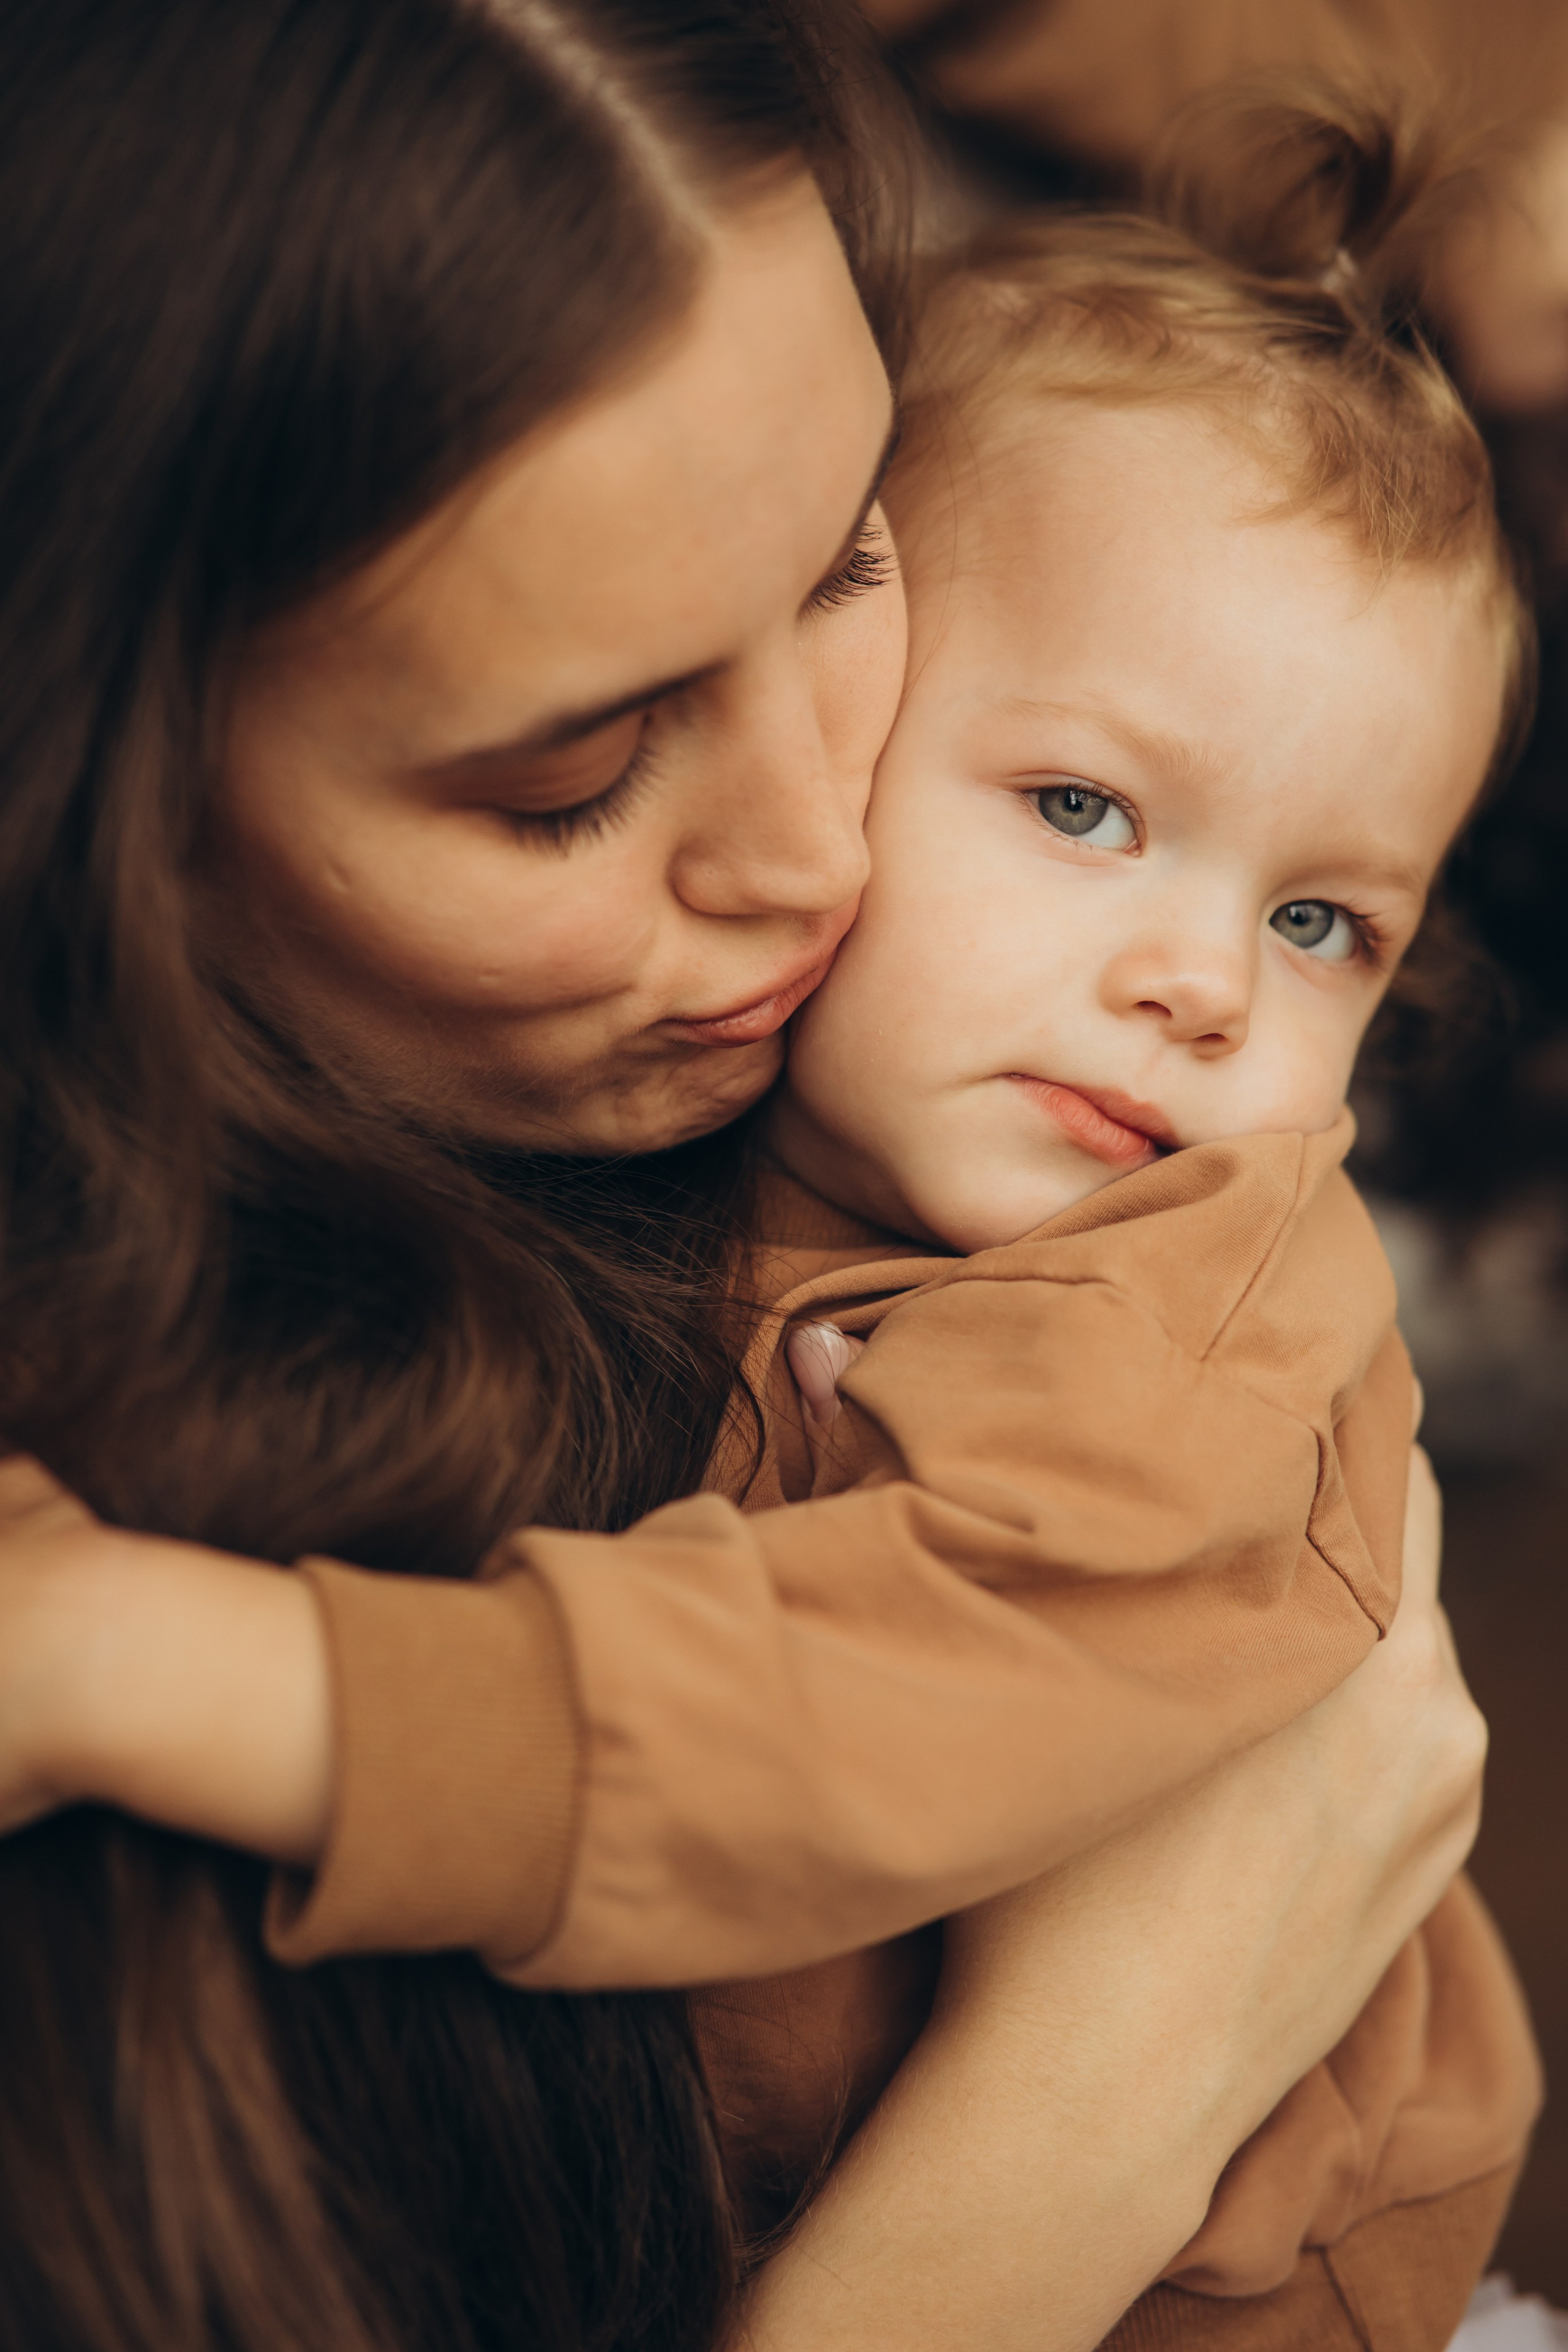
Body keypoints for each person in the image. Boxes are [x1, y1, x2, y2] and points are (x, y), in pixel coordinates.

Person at [0, 2, 1494, 2346]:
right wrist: (1091, 2094)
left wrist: (156, 1672)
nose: (819, 852)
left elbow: (837, 1713)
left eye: (842, 568)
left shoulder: (1165, 1289)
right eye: (573, 772)